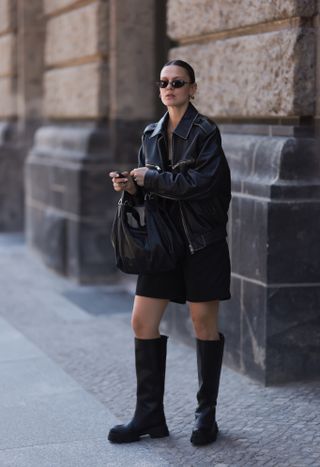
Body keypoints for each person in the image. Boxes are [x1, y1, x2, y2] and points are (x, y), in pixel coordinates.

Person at [107, 59, 231, 446]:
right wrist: (131, 187)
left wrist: (152, 177)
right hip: (162, 244)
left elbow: (202, 183)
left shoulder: (206, 131)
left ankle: (205, 415)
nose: (170, 88)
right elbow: (151, 187)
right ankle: (149, 416)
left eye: (178, 82)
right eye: (163, 82)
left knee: (202, 326)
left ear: (192, 88)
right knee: (142, 322)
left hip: (202, 242)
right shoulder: (151, 133)